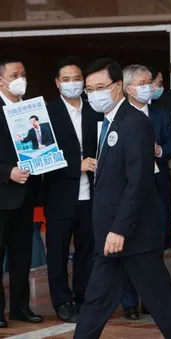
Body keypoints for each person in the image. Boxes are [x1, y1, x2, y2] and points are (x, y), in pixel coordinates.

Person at [74, 58, 171, 339]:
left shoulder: (134, 123)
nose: (94, 94)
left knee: (162, 302)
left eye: (100, 87)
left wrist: (119, 229)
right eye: (89, 89)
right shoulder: (109, 122)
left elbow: (138, 182)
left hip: (132, 236)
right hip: (111, 237)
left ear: (118, 87)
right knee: (96, 301)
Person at [44, 56, 102, 323]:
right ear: (57, 83)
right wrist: (75, 166)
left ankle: (83, 296)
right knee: (57, 252)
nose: (72, 83)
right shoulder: (47, 114)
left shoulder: (95, 111)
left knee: (87, 250)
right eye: (66, 79)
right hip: (60, 194)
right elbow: (40, 158)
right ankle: (62, 300)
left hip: (91, 195)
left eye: (77, 78)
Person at [120, 64, 171, 320]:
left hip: (158, 187)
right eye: (142, 84)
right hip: (129, 190)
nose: (148, 88)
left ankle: (152, 300)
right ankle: (129, 301)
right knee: (130, 245)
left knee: (155, 245)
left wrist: (158, 151)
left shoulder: (161, 115)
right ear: (127, 88)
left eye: (149, 83)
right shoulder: (118, 117)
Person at [0, 57, 43, 328]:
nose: (21, 78)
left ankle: (20, 307)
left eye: (24, 73)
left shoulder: (31, 109)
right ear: (1, 80)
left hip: (26, 195)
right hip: (2, 194)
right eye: (15, 74)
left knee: (21, 256)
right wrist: (7, 173)